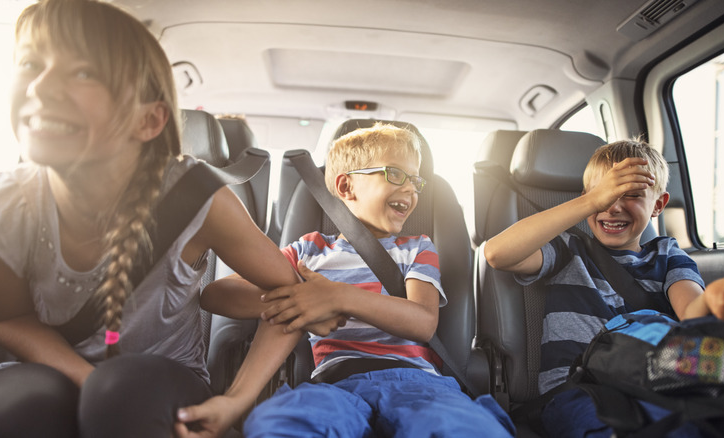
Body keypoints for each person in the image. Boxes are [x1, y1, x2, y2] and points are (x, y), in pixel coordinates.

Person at [0, 1, 334, 437]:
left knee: (120, 391)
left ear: (148, 120)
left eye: (84, 72)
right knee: (17, 408)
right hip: (48, 366)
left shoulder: (197, 201)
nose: (41, 85)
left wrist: (235, 401)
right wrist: (86, 379)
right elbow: (7, 317)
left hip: (163, 378)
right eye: (31, 62)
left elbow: (290, 298)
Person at [206, 122, 513, 437]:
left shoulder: (417, 249)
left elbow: (423, 322)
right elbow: (215, 295)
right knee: (278, 422)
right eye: (395, 174)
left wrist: (339, 296)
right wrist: (300, 296)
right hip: (334, 385)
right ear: (345, 187)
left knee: (463, 428)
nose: (410, 188)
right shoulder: (308, 251)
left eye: (416, 181)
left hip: (418, 384)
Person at [483, 139, 707, 437]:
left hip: (654, 383)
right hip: (579, 389)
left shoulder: (668, 256)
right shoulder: (569, 249)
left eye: (632, 195)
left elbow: (695, 315)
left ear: (658, 205)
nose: (613, 207)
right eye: (605, 196)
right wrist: (590, 202)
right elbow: (497, 254)